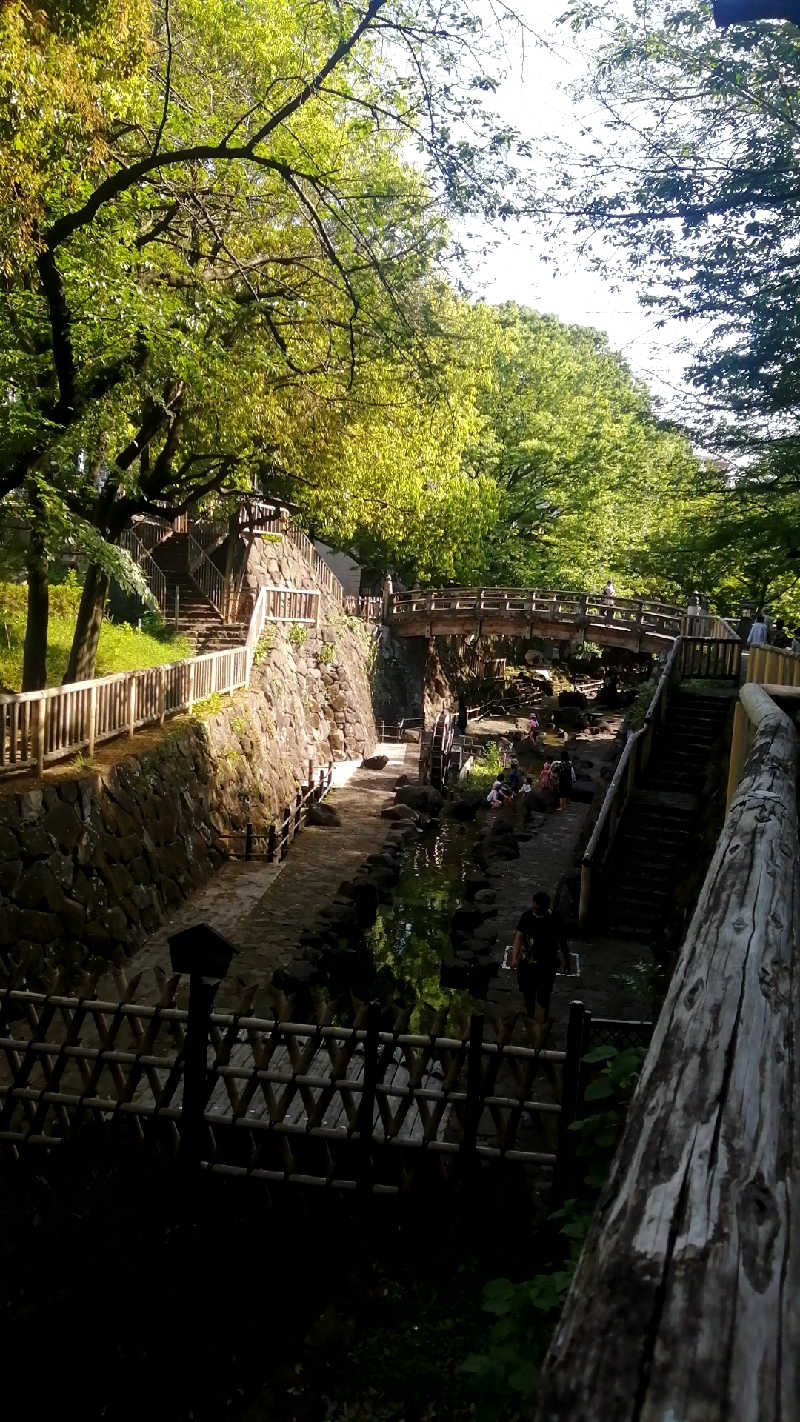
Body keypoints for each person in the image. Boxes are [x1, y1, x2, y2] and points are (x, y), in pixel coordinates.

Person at [511, 890, 570, 1024]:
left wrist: (567, 960)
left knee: (544, 996)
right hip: (527, 963)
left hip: (547, 964)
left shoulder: (554, 919)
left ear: (545, 907)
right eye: (534, 906)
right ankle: (530, 1020)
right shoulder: (526, 916)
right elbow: (519, 937)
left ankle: (541, 1024)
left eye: (538, 908)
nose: (534, 909)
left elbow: (562, 942)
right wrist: (514, 957)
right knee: (528, 995)